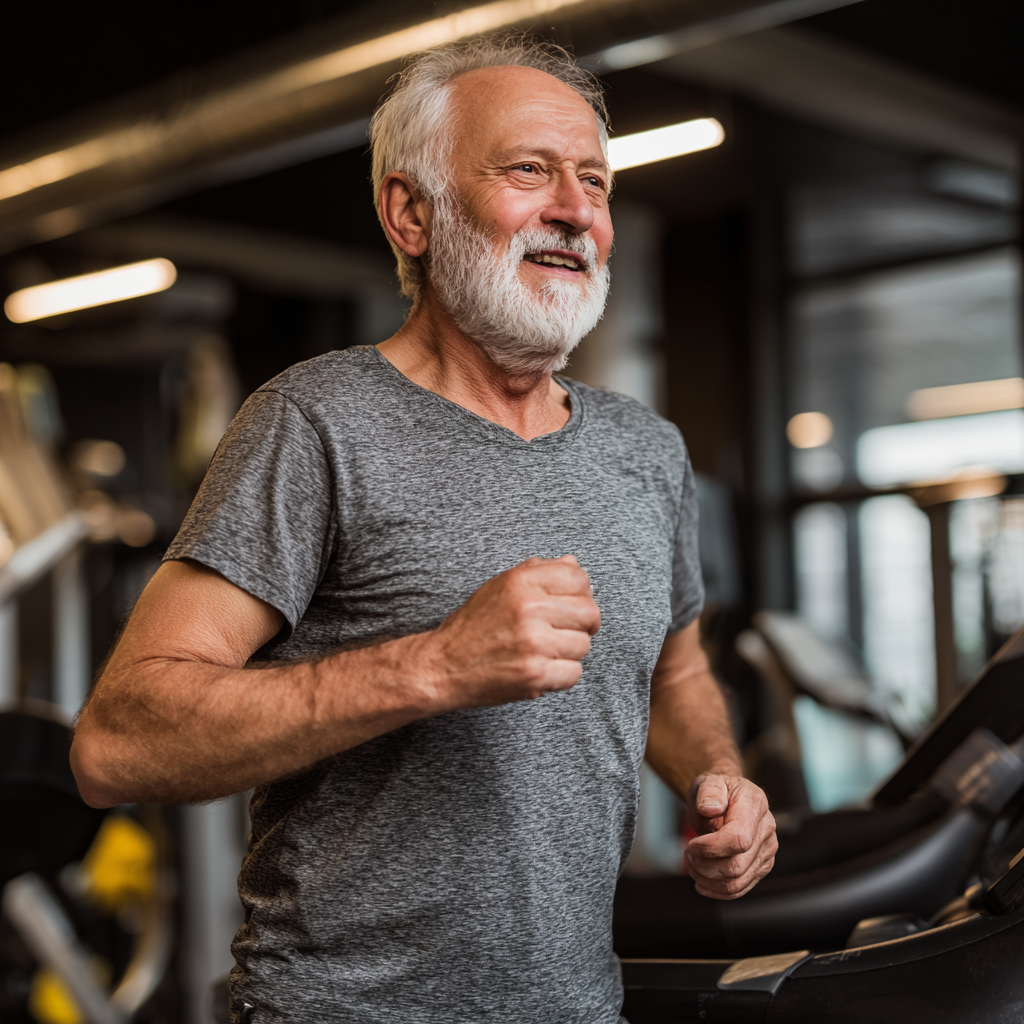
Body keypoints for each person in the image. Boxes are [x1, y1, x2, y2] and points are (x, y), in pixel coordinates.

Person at [71, 34, 777, 1024]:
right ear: (412, 213)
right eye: (529, 171)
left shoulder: (644, 451)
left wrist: (719, 779)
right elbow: (117, 742)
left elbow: (674, 668)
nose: (575, 210)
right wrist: (434, 665)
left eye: (594, 182)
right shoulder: (315, 421)